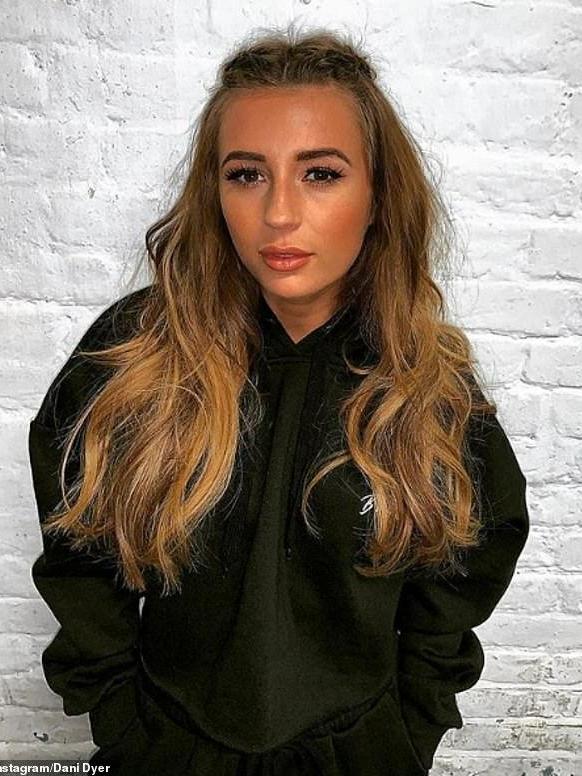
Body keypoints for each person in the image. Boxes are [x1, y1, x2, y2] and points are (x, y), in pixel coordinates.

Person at [28, 25, 530, 776]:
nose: (279, 214)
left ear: (377, 195)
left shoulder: (428, 386)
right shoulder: (133, 357)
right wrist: (125, 723)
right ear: (214, 193)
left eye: (320, 173)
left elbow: (467, 570)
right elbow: (79, 554)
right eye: (246, 175)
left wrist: (409, 726)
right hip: (167, 747)